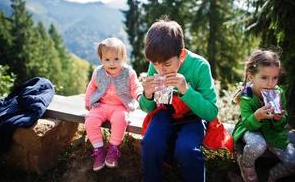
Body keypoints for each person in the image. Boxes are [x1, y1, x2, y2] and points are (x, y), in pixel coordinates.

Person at [139, 18, 218, 182]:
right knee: (150, 144)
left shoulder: (200, 66)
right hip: (165, 112)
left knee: (187, 149)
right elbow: (148, 108)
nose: (160, 69)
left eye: (166, 64)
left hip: (193, 118)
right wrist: (147, 94)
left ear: (181, 55)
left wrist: (186, 90)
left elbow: (211, 113)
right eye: (155, 64)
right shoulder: (157, 63)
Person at [232, 49, 295, 182]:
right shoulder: (246, 94)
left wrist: (279, 118)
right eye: (264, 77)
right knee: (258, 145)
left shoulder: (278, 92)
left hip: (272, 132)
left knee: (293, 161)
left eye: (275, 78)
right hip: (249, 129)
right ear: (251, 76)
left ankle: (270, 176)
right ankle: (246, 165)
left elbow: (284, 118)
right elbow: (247, 122)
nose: (270, 83)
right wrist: (257, 116)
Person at [84, 37, 143, 171]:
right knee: (90, 120)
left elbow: (135, 87)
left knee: (121, 119)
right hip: (101, 104)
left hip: (120, 106)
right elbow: (91, 87)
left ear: (123, 58)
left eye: (116, 59)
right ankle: (99, 150)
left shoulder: (129, 73)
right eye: (107, 59)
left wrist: (140, 95)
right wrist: (88, 101)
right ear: (101, 60)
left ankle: (113, 148)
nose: (112, 63)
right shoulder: (98, 72)